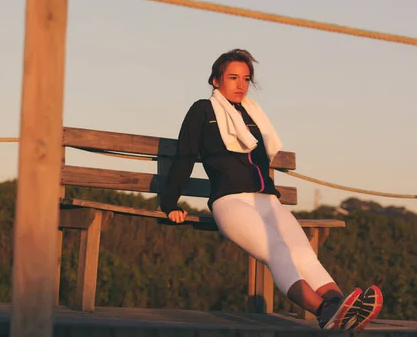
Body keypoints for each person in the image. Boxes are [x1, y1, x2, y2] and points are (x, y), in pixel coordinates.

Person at [160, 49, 383, 330]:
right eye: (233, 77)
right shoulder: (202, 111)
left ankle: (342, 306)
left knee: (303, 253)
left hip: (267, 200)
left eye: (246, 78)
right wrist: (170, 204)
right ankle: (325, 311)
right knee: (278, 250)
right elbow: (185, 156)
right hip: (230, 201)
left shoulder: (252, 115)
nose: (241, 85)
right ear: (216, 81)